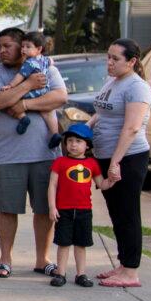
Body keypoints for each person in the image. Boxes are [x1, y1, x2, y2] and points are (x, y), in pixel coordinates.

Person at [0, 27, 68, 279]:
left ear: (23, 46)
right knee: (7, 209)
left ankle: (43, 260)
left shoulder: (47, 68)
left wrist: (24, 103)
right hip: (7, 155)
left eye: (7, 45)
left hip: (45, 154)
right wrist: (29, 84)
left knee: (44, 209)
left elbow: (59, 97)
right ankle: (5, 259)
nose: (1, 51)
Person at [89, 38, 151, 288]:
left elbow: (132, 127)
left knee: (127, 213)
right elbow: (102, 111)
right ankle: (123, 263)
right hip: (106, 155)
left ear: (132, 61)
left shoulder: (137, 88)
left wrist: (115, 162)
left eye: (115, 59)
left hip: (128, 157)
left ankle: (131, 272)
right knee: (116, 213)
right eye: (108, 57)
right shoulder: (113, 82)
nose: (110, 62)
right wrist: (86, 127)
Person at [48, 123, 106, 288]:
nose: (73, 144)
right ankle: (61, 273)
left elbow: (102, 184)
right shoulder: (60, 162)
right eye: (70, 141)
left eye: (78, 141)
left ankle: (81, 274)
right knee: (63, 243)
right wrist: (52, 207)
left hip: (84, 210)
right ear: (65, 144)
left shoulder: (92, 164)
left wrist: (112, 179)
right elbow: (52, 185)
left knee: (81, 243)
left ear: (87, 145)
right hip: (64, 210)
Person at [1, 31, 61, 148]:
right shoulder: (44, 60)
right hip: (44, 90)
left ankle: (23, 118)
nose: (24, 49)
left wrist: (11, 86)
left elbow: (20, 76)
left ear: (39, 49)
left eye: (28, 47)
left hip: (33, 92)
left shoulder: (29, 63)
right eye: (22, 46)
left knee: (9, 102)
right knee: (48, 112)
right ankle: (55, 133)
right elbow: (51, 61)